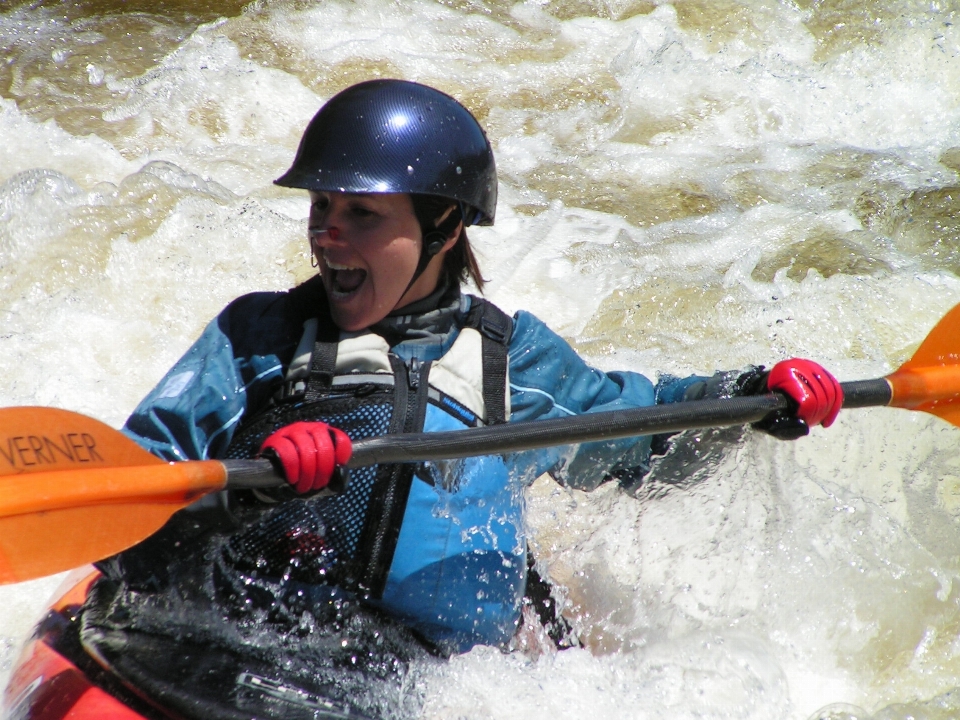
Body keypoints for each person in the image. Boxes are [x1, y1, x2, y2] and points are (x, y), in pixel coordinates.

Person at [92, 80, 841, 717]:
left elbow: (646, 439)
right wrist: (243, 491)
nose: (328, 235)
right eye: (322, 207)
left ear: (444, 227)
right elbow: (125, 500)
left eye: (363, 215)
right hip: (229, 642)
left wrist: (751, 400)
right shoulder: (260, 337)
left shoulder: (511, 365)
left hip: (424, 680)